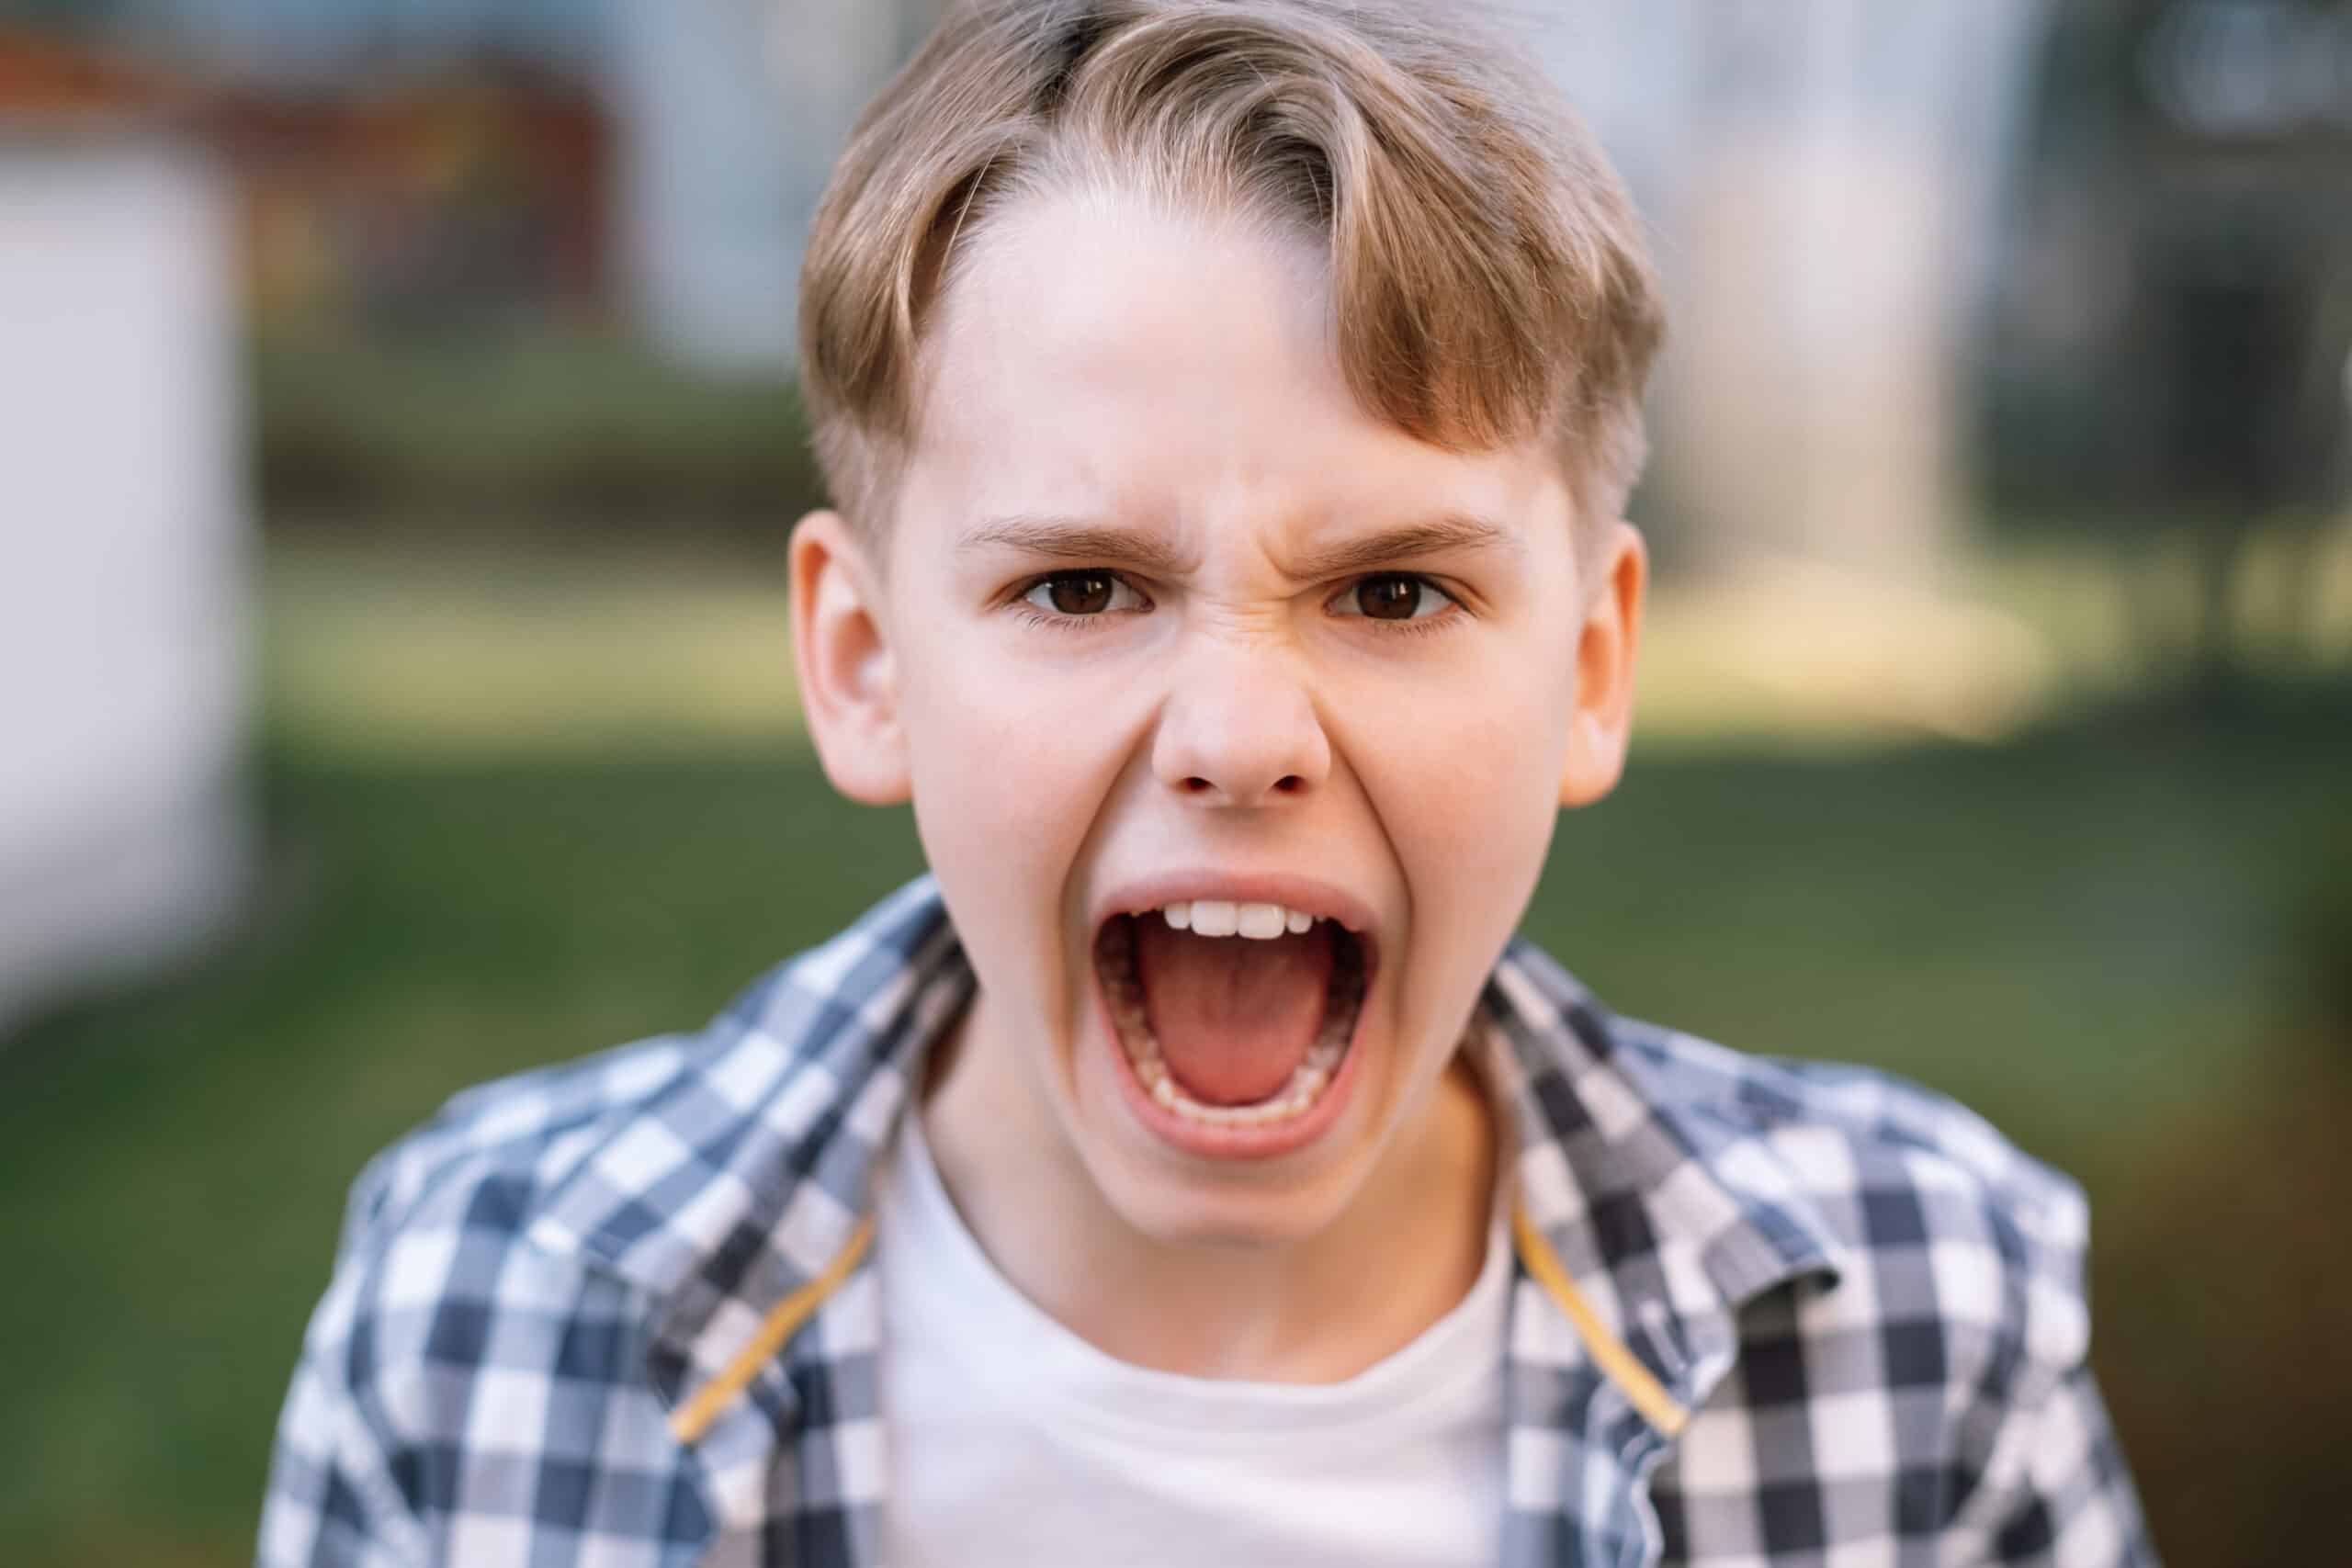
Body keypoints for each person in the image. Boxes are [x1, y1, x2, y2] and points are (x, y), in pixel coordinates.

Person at [258, 3, 2155, 1563]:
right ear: (862, 664)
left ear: (1586, 667)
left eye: (1394, 587)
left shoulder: (1913, 1328)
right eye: (1080, 585)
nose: (1236, 732)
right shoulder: (484, 1315)